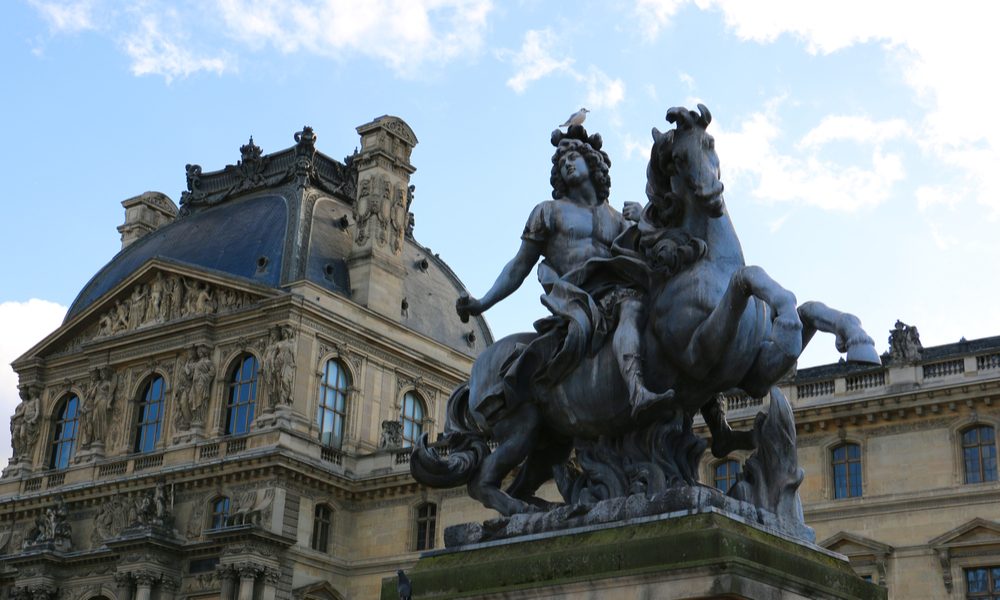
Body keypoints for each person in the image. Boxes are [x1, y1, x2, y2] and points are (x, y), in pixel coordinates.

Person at [457, 131, 673, 419]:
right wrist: (481, 303)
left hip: (613, 290)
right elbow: (519, 266)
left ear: (592, 163)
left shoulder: (618, 219)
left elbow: (650, 258)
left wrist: (644, 219)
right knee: (632, 306)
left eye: (573, 158)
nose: (567, 164)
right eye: (562, 163)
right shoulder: (548, 212)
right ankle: (637, 391)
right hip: (574, 297)